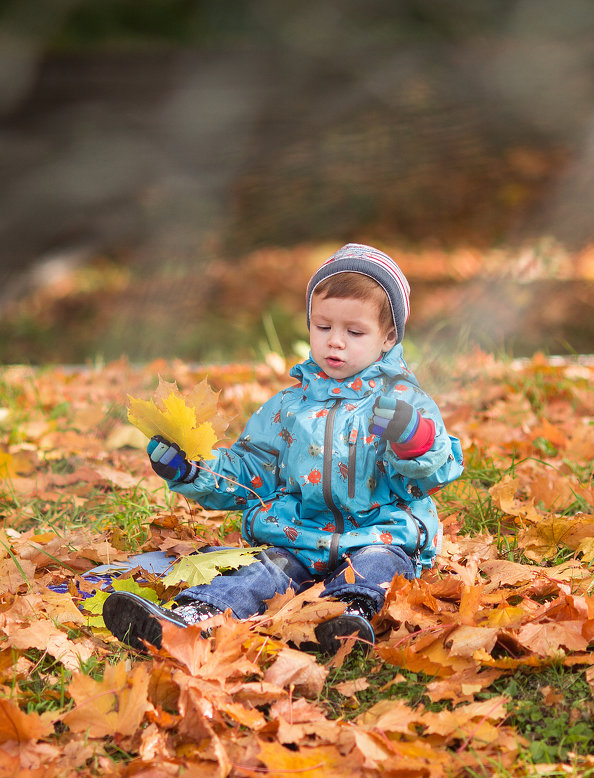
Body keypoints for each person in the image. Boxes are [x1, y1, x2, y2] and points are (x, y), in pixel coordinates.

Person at [103, 243, 464, 655]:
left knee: (379, 565)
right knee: (261, 572)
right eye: (323, 327)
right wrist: (193, 471)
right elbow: (248, 471)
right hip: (299, 536)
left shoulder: (400, 402)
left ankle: (348, 615)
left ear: (388, 337)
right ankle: (192, 616)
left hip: (379, 534)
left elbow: (436, 471)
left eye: (355, 332)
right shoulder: (288, 407)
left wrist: (412, 438)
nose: (336, 343)